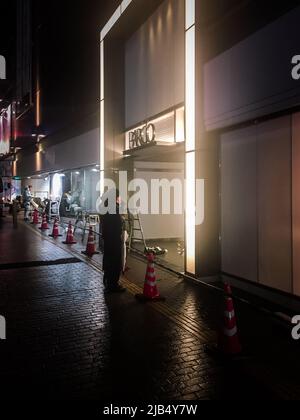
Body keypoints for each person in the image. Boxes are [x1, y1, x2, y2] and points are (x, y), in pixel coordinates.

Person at [101, 189, 126, 293]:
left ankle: (107, 281)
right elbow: (118, 225)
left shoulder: (105, 207)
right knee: (115, 262)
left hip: (107, 239)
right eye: (118, 196)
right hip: (114, 240)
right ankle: (113, 285)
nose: (119, 198)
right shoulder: (114, 209)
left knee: (108, 260)